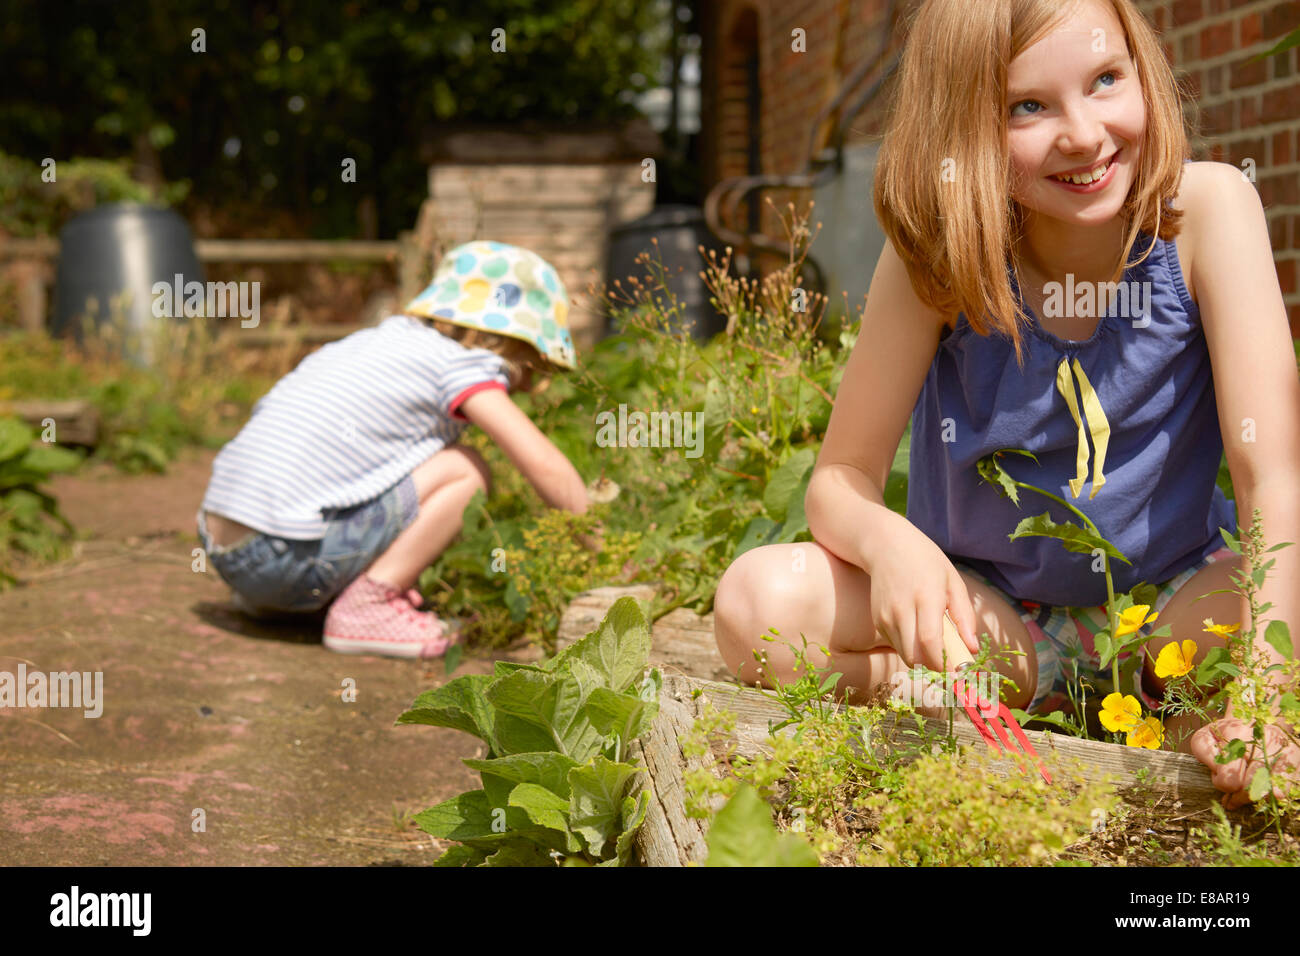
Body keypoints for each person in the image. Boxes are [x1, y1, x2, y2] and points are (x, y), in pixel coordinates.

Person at [713, 0, 1300, 806]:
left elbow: (1273, 477)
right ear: (963, 129)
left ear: (1142, 72)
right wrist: (888, 544)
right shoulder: (940, 256)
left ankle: (1190, 713)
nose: (1085, 135)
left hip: (1177, 611)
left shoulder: (1206, 212)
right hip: (993, 623)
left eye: (1105, 80)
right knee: (758, 603)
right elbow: (839, 478)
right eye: (1028, 106)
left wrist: (1266, 691)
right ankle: (1011, 702)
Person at [197, 240, 591, 659]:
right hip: (280, 560)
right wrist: (596, 539)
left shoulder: (376, 343)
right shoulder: (461, 365)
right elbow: (543, 463)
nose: (531, 386)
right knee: (466, 469)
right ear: (506, 341)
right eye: (530, 365)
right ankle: (370, 606)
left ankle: (286, 599)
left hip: (225, 550)